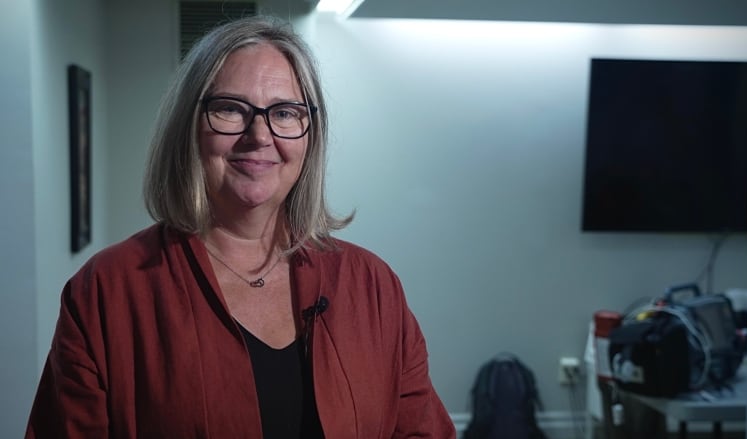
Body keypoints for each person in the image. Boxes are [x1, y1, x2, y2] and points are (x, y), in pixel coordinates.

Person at [26, 15, 455, 438]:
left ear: (310, 136)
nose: (259, 134)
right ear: (189, 127)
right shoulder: (107, 291)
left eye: (285, 113)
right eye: (231, 109)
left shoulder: (373, 286)